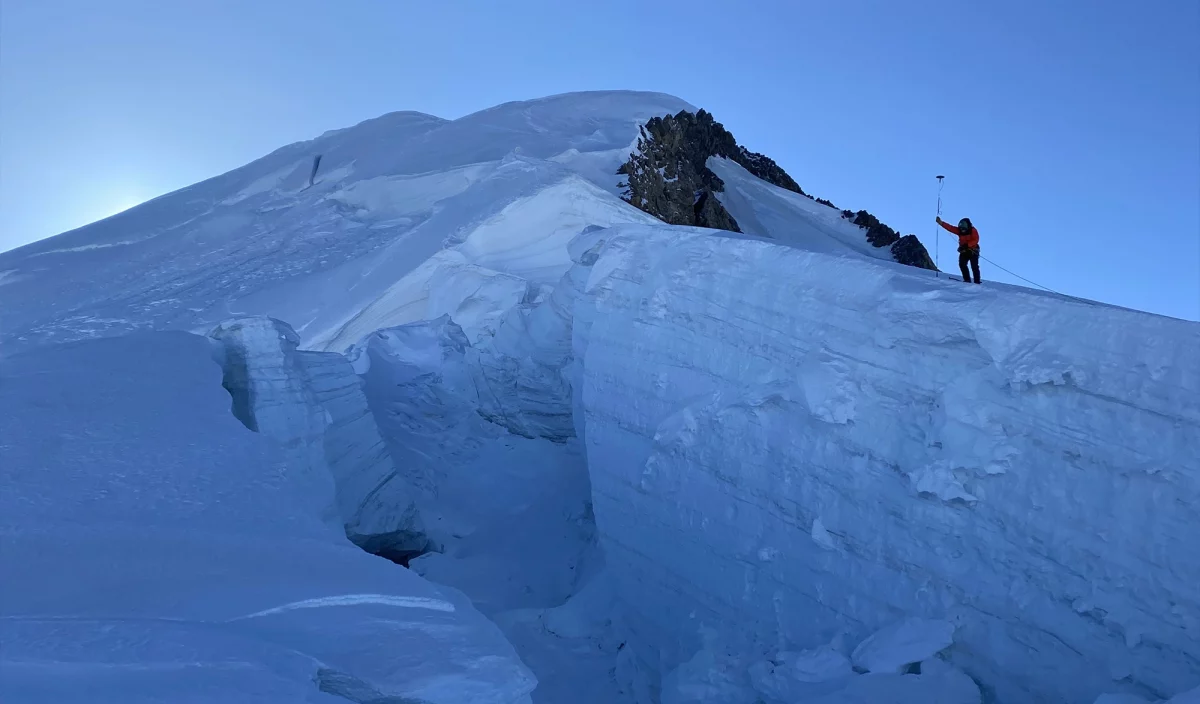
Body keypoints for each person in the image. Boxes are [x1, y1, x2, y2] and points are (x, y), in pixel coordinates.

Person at [936, 216, 981, 284]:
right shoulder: (959, 231)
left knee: (974, 266)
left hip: (973, 251)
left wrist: (967, 245)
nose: (962, 230)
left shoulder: (973, 230)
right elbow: (950, 228)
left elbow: (976, 239)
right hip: (964, 251)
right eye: (961, 229)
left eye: (964, 229)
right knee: (962, 264)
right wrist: (941, 223)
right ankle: (967, 280)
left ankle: (977, 282)